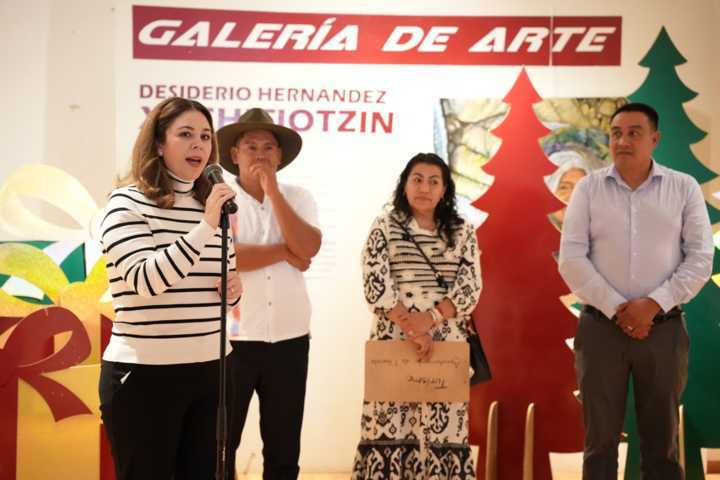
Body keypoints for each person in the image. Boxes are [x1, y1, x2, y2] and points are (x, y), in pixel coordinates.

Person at [558, 102, 714, 479]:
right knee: (599, 445)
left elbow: (700, 258)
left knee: (661, 447)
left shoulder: (683, 188)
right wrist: (619, 309)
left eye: (634, 133)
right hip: (599, 329)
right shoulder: (589, 189)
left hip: (664, 330)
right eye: (616, 133)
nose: (623, 141)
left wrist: (653, 305)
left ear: (654, 139)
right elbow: (571, 259)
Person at [98, 97, 242, 480]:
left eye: (206, 136)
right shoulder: (126, 203)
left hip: (213, 371)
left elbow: (221, 281)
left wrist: (233, 288)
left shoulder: (210, 206)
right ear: (159, 144)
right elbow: (146, 281)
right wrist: (206, 225)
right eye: (186, 134)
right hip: (144, 376)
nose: (199, 144)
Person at [352, 153, 482, 479]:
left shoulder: (463, 231)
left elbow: (470, 287)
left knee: (444, 431)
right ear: (405, 184)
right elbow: (375, 283)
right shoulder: (385, 226)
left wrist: (431, 319)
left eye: (434, 181)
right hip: (393, 341)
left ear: (444, 189)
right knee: (389, 426)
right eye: (417, 179)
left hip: (446, 345)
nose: (425, 188)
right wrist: (414, 329)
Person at [217, 108, 322, 479]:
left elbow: (308, 247)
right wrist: (283, 251)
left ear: (279, 156)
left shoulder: (299, 196)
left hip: (290, 339)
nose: (260, 154)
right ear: (235, 153)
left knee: (283, 448)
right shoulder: (218, 198)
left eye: (268, 147)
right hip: (232, 340)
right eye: (251, 146)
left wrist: (273, 191)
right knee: (221, 447)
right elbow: (225, 258)